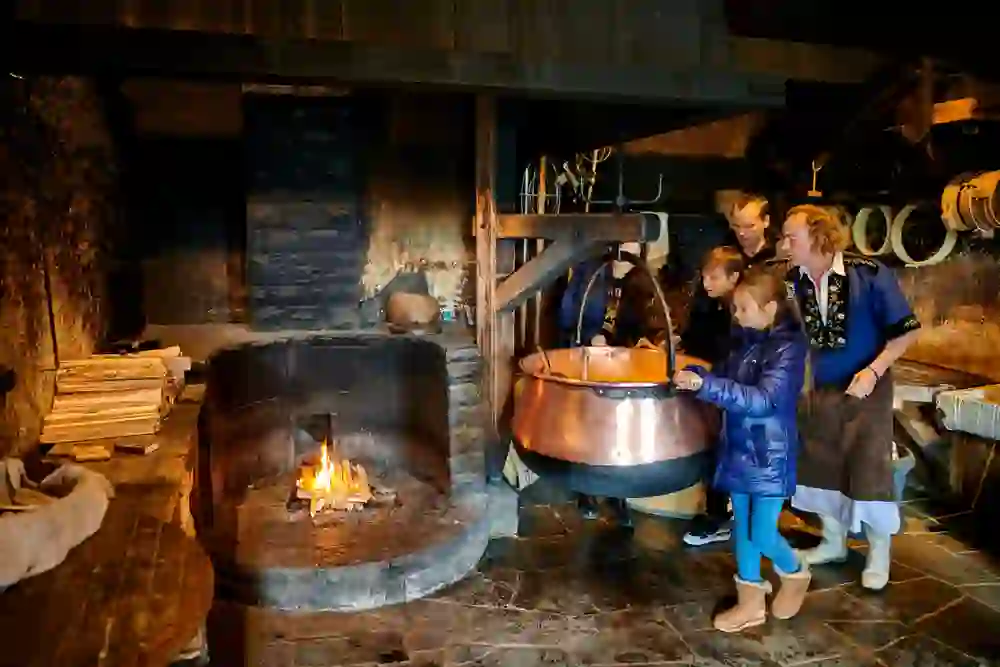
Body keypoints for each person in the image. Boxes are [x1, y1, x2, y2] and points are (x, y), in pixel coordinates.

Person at [780, 204, 920, 591]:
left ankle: (879, 554)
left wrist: (873, 372)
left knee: (868, 467)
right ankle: (833, 543)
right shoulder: (791, 281)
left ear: (818, 236)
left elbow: (907, 331)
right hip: (818, 389)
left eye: (792, 237)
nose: (785, 245)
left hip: (867, 388)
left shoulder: (869, 274)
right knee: (820, 463)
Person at [674, 267, 811, 632]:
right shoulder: (744, 339)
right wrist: (695, 373)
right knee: (743, 528)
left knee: (763, 532)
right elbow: (722, 376)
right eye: (735, 308)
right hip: (737, 445)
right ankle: (750, 603)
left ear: (770, 309)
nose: (736, 315)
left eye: (744, 308)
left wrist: (706, 387)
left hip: (769, 453)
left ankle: (795, 572)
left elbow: (764, 399)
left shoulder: (789, 348)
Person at [681, 193, 777, 547]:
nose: (743, 232)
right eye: (736, 225)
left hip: (757, 372)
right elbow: (700, 314)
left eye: (749, 225)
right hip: (722, 368)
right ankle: (722, 514)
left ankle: (756, 521)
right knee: (722, 442)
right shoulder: (723, 257)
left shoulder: (776, 264)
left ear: (766, 222)